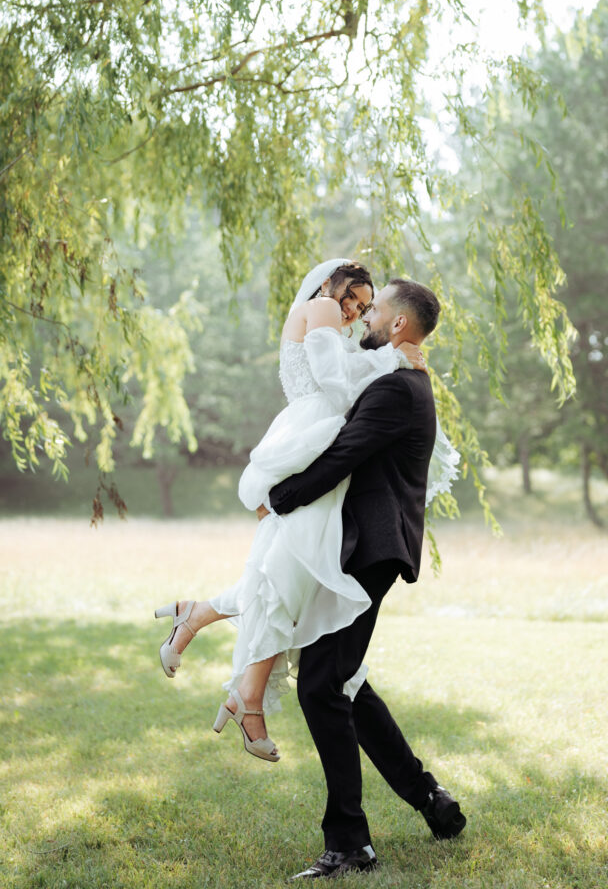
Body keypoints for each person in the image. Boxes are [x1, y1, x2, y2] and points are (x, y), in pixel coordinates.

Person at [154, 260, 437, 762]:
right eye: (353, 297)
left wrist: (387, 362)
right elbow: (334, 382)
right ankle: (240, 683)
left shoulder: (333, 319)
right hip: (311, 444)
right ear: (331, 284)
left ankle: (203, 626)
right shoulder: (323, 307)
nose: (353, 311)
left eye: (364, 306)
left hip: (317, 444)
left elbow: (344, 377)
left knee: (290, 570)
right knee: (288, 570)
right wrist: (393, 361)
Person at [265, 278, 466, 880]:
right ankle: (432, 801)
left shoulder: (399, 390)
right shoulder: (399, 379)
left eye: (375, 310)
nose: (366, 317)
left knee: (321, 685)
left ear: (399, 325)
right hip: (368, 545)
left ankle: (351, 842)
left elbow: (345, 452)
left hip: (371, 549)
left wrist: (280, 495)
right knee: (345, 680)